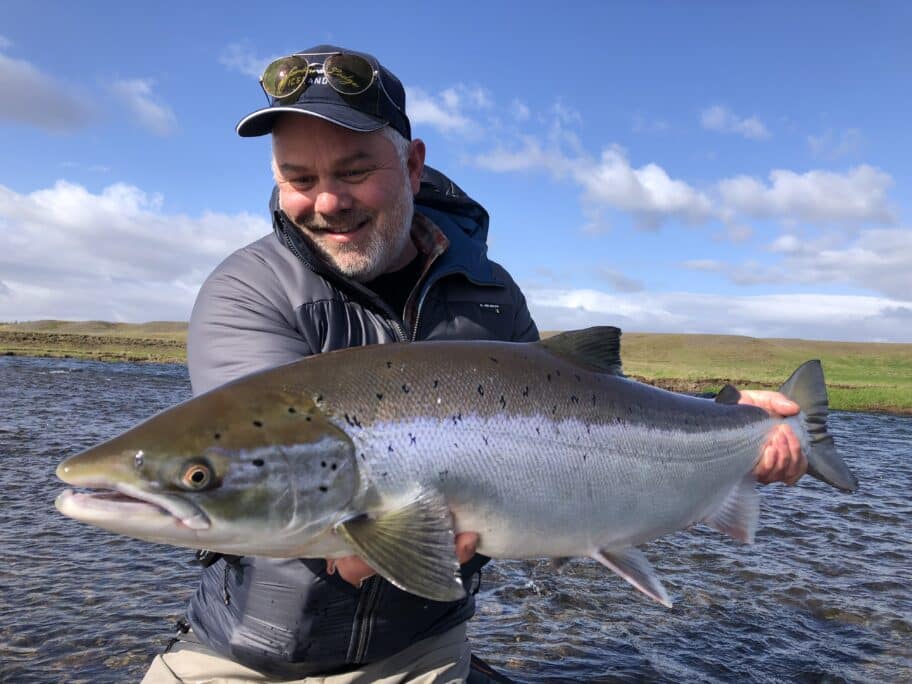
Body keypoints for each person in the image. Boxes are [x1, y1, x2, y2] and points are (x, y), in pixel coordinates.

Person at [141, 45, 807, 683]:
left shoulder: (491, 295)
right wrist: (379, 546)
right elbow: (259, 478)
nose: (328, 201)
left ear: (412, 166)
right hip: (244, 655)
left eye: (353, 172)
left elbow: (592, 417)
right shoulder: (247, 292)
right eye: (300, 179)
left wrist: (731, 425)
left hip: (419, 653)